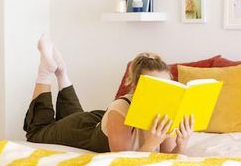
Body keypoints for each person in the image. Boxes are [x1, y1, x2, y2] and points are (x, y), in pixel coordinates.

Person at [23, 35, 194, 153]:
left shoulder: (167, 111)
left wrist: (181, 145)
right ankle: (46, 71)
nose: (159, 94)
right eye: (153, 86)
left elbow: (167, 159)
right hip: (85, 131)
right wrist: (150, 144)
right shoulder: (120, 110)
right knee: (37, 133)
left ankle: (61, 72)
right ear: (135, 87)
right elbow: (121, 163)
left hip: (100, 122)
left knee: (74, 116)